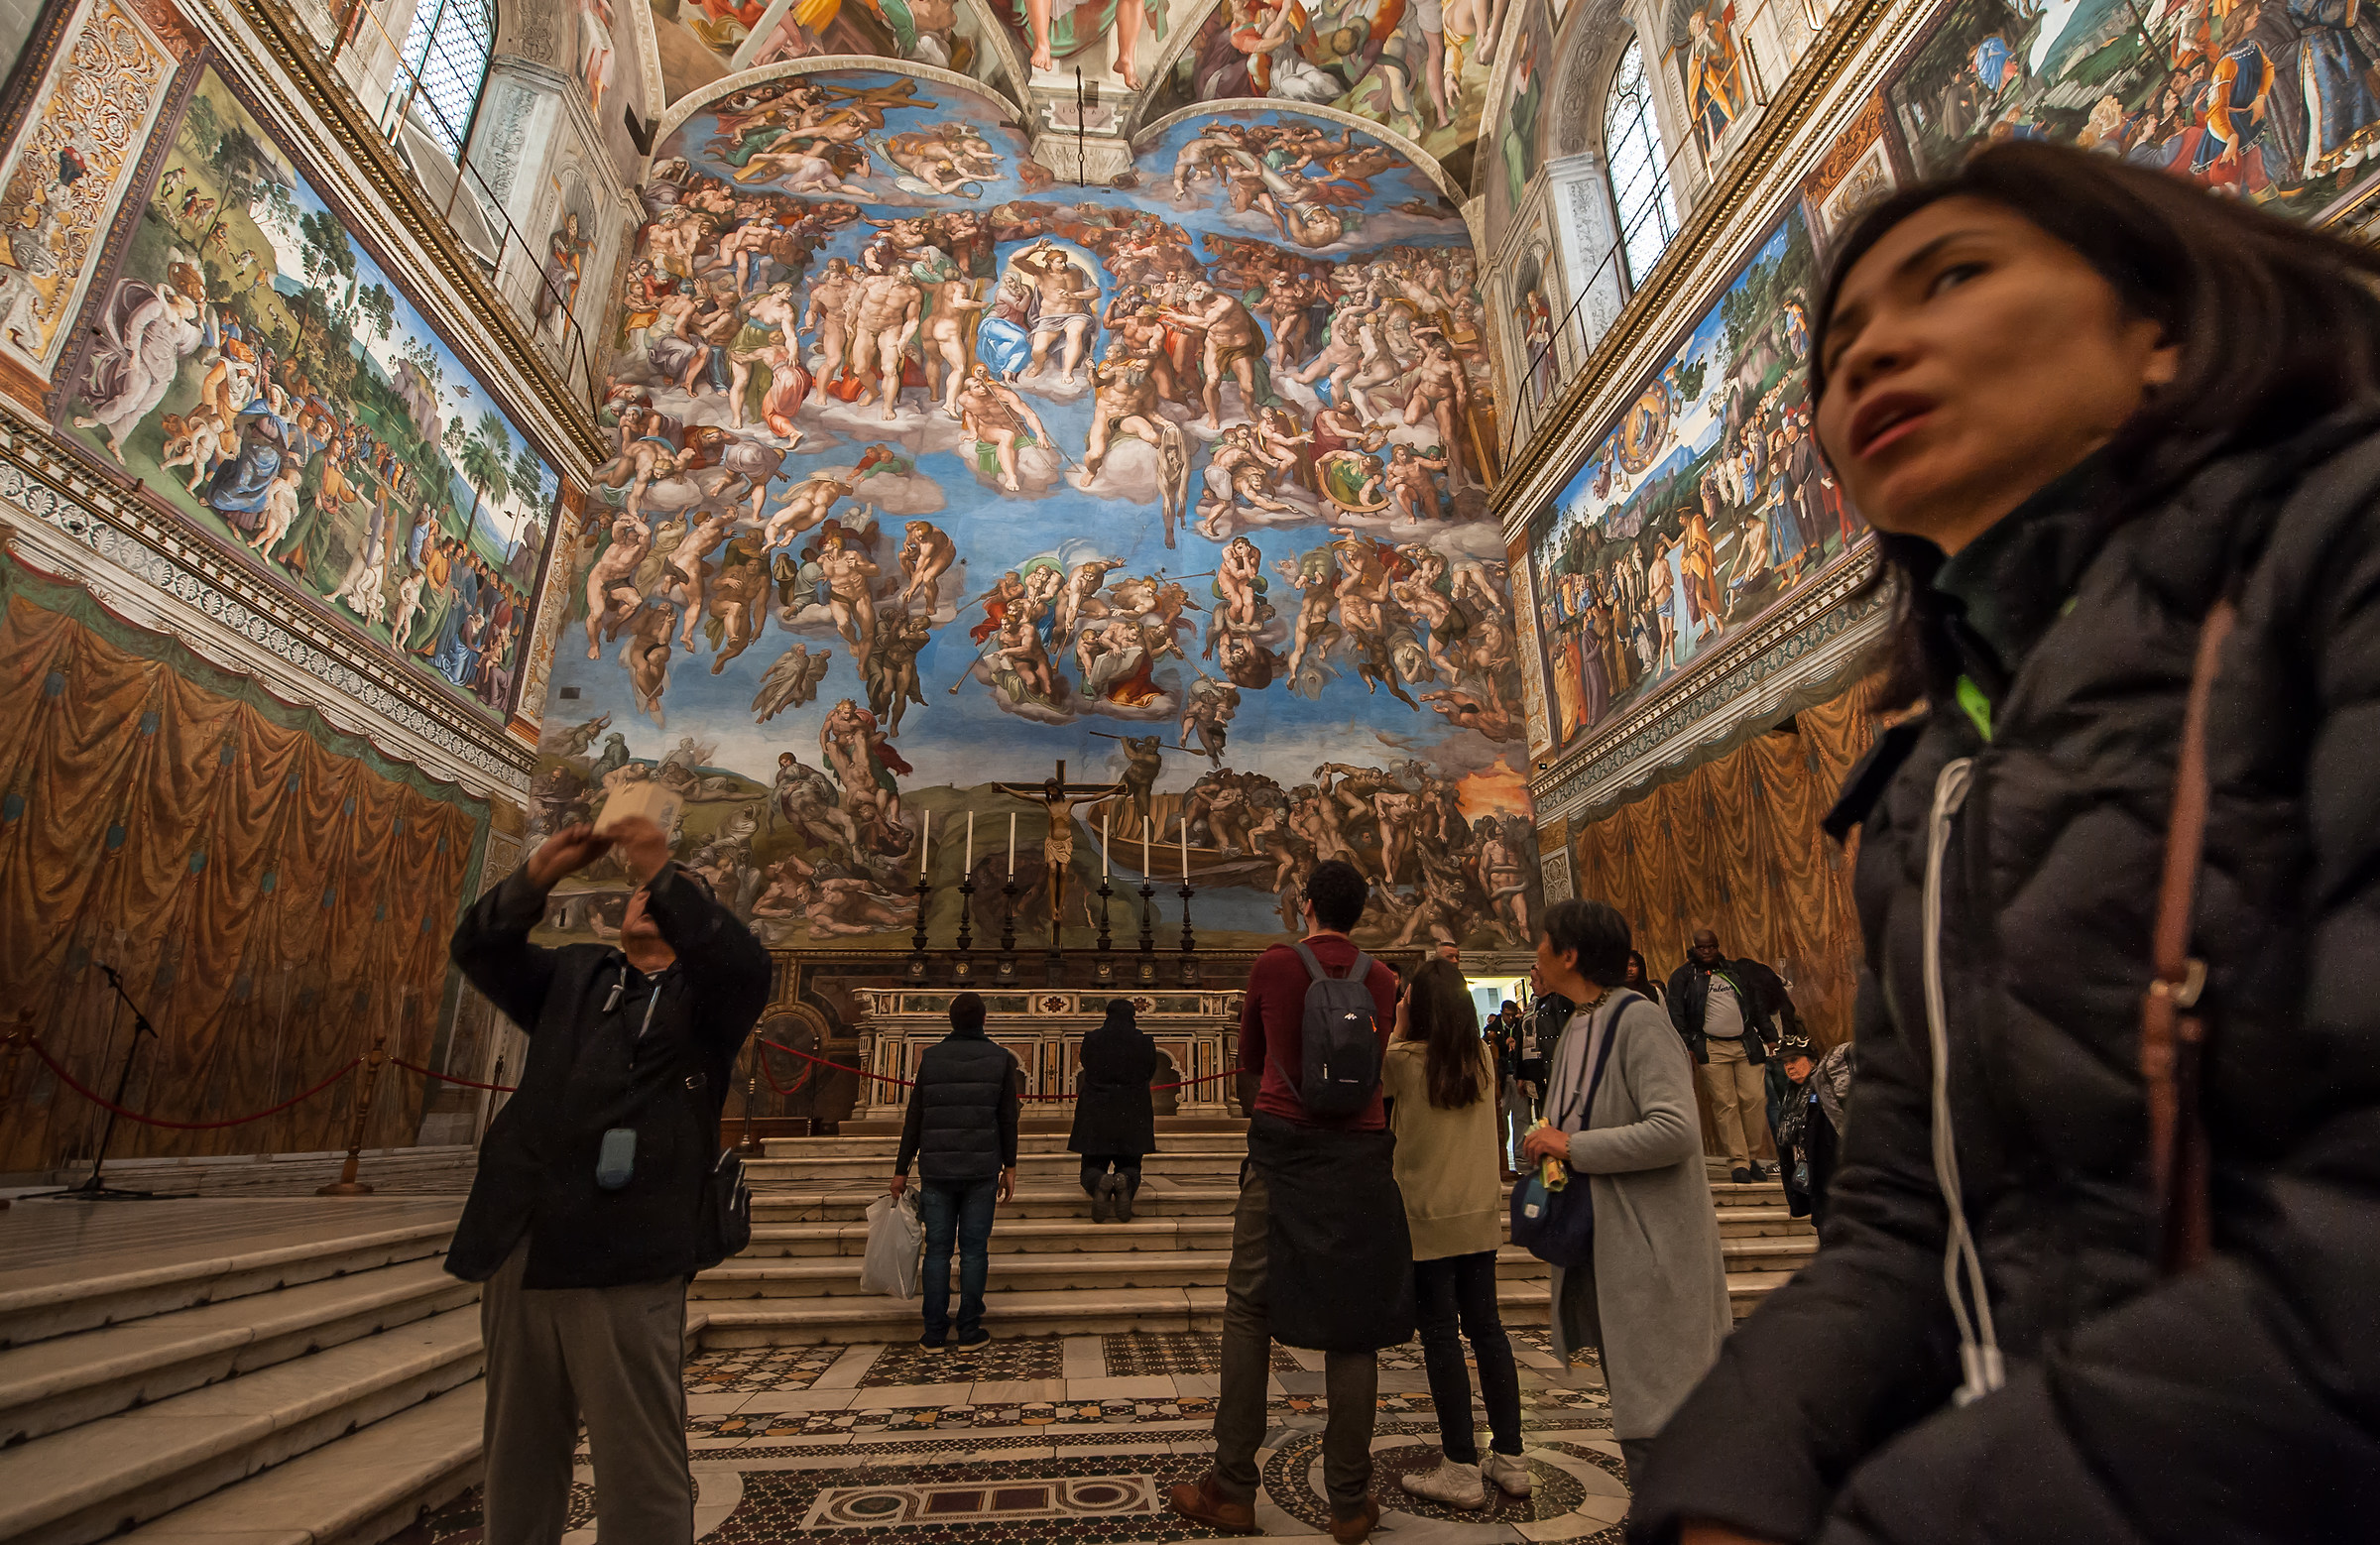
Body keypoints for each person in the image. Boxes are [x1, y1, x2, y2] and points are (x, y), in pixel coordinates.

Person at [1632, 141, 2380, 1543]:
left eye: (1953, 277)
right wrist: (1720, 1486)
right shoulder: (1937, 765)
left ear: (2160, 329)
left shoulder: (2342, 548)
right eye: (1837, 344)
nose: (1867, 360)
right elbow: (1902, 1228)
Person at [444, 815, 771, 1541]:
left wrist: (661, 870)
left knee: (638, 1458)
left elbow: (744, 965)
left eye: (672, 895)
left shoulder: (709, 1000)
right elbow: (479, 947)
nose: (649, 901)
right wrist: (539, 873)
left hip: (628, 1248)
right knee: (517, 1450)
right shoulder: (576, 976)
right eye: (641, 891)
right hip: (522, 1236)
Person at [1168, 860, 1407, 1544]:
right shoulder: (1384, 977)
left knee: (1248, 1308)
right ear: (1360, 911)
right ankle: (1350, 1502)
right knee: (1354, 1324)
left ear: (1306, 905)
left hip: (1282, 1152)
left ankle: (1233, 1489)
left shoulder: (1275, 965)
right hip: (1361, 1156)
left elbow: (1248, 1058)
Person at [1520, 899, 1729, 1486]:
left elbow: (1676, 1130)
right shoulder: (1579, 1021)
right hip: (1606, 1247)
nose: (1533, 954)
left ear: (1570, 954)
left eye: (1542, 942)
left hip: (1653, 1251)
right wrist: (1546, 1145)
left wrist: (1571, 1147)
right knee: (1644, 1421)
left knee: (1663, 1431)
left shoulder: (1638, 1019)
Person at [1384, 958, 1530, 1509]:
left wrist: (1397, 1028)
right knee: (1488, 1332)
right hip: (1476, 1214)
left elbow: (1379, 1091)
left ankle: (1461, 1466)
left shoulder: (1401, 1059)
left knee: (1442, 1337)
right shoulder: (1483, 1058)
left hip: (1425, 1218)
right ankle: (1511, 1459)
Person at [890, 992, 1020, 1351]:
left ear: (950, 1020)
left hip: (936, 1169)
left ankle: (933, 1332)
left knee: (937, 1251)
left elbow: (914, 1117)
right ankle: (969, 1329)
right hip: (981, 1168)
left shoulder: (931, 1058)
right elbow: (1008, 1117)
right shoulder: (999, 1058)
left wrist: (901, 1170)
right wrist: (1010, 1166)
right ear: (983, 1020)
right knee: (975, 1250)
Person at [1666, 928, 1778, 1181]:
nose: (1706, 952)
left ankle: (1751, 1157)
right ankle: (1739, 1163)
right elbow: (1676, 1013)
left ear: (1718, 946)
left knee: (1755, 1099)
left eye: (1711, 947)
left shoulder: (1735, 971)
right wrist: (1688, 1044)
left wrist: (1770, 1036)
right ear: (1693, 948)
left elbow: (1756, 1005)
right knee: (1725, 1105)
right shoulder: (1684, 976)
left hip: (1745, 1044)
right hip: (1711, 1047)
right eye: (1701, 948)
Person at [1069, 997, 1157, 1222]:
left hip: (1096, 1111)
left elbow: (1087, 1065)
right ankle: (1125, 1181)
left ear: (1106, 1015)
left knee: (1091, 1165)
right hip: (1133, 1111)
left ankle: (1099, 1181)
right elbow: (1149, 1072)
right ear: (1133, 1017)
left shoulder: (1092, 1039)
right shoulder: (1144, 1042)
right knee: (1130, 1164)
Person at [1773, 1036, 1852, 1230]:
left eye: (1794, 1060)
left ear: (1812, 1060)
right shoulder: (1791, 1094)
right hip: (1811, 1175)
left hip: (1836, 1176)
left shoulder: (1827, 1089)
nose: (1789, 1067)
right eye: (1785, 1063)